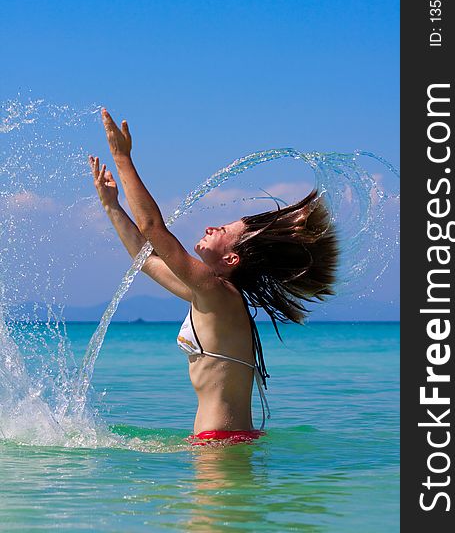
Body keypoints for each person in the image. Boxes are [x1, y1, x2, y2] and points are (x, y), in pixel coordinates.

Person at [89, 108, 338, 444]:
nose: (209, 227)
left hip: (218, 444)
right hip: (224, 441)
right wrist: (111, 206)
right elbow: (144, 259)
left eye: (221, 229)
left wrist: (122, 158)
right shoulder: (210, 296)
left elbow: (152, 229)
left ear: (231, 258)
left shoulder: (216, 292)